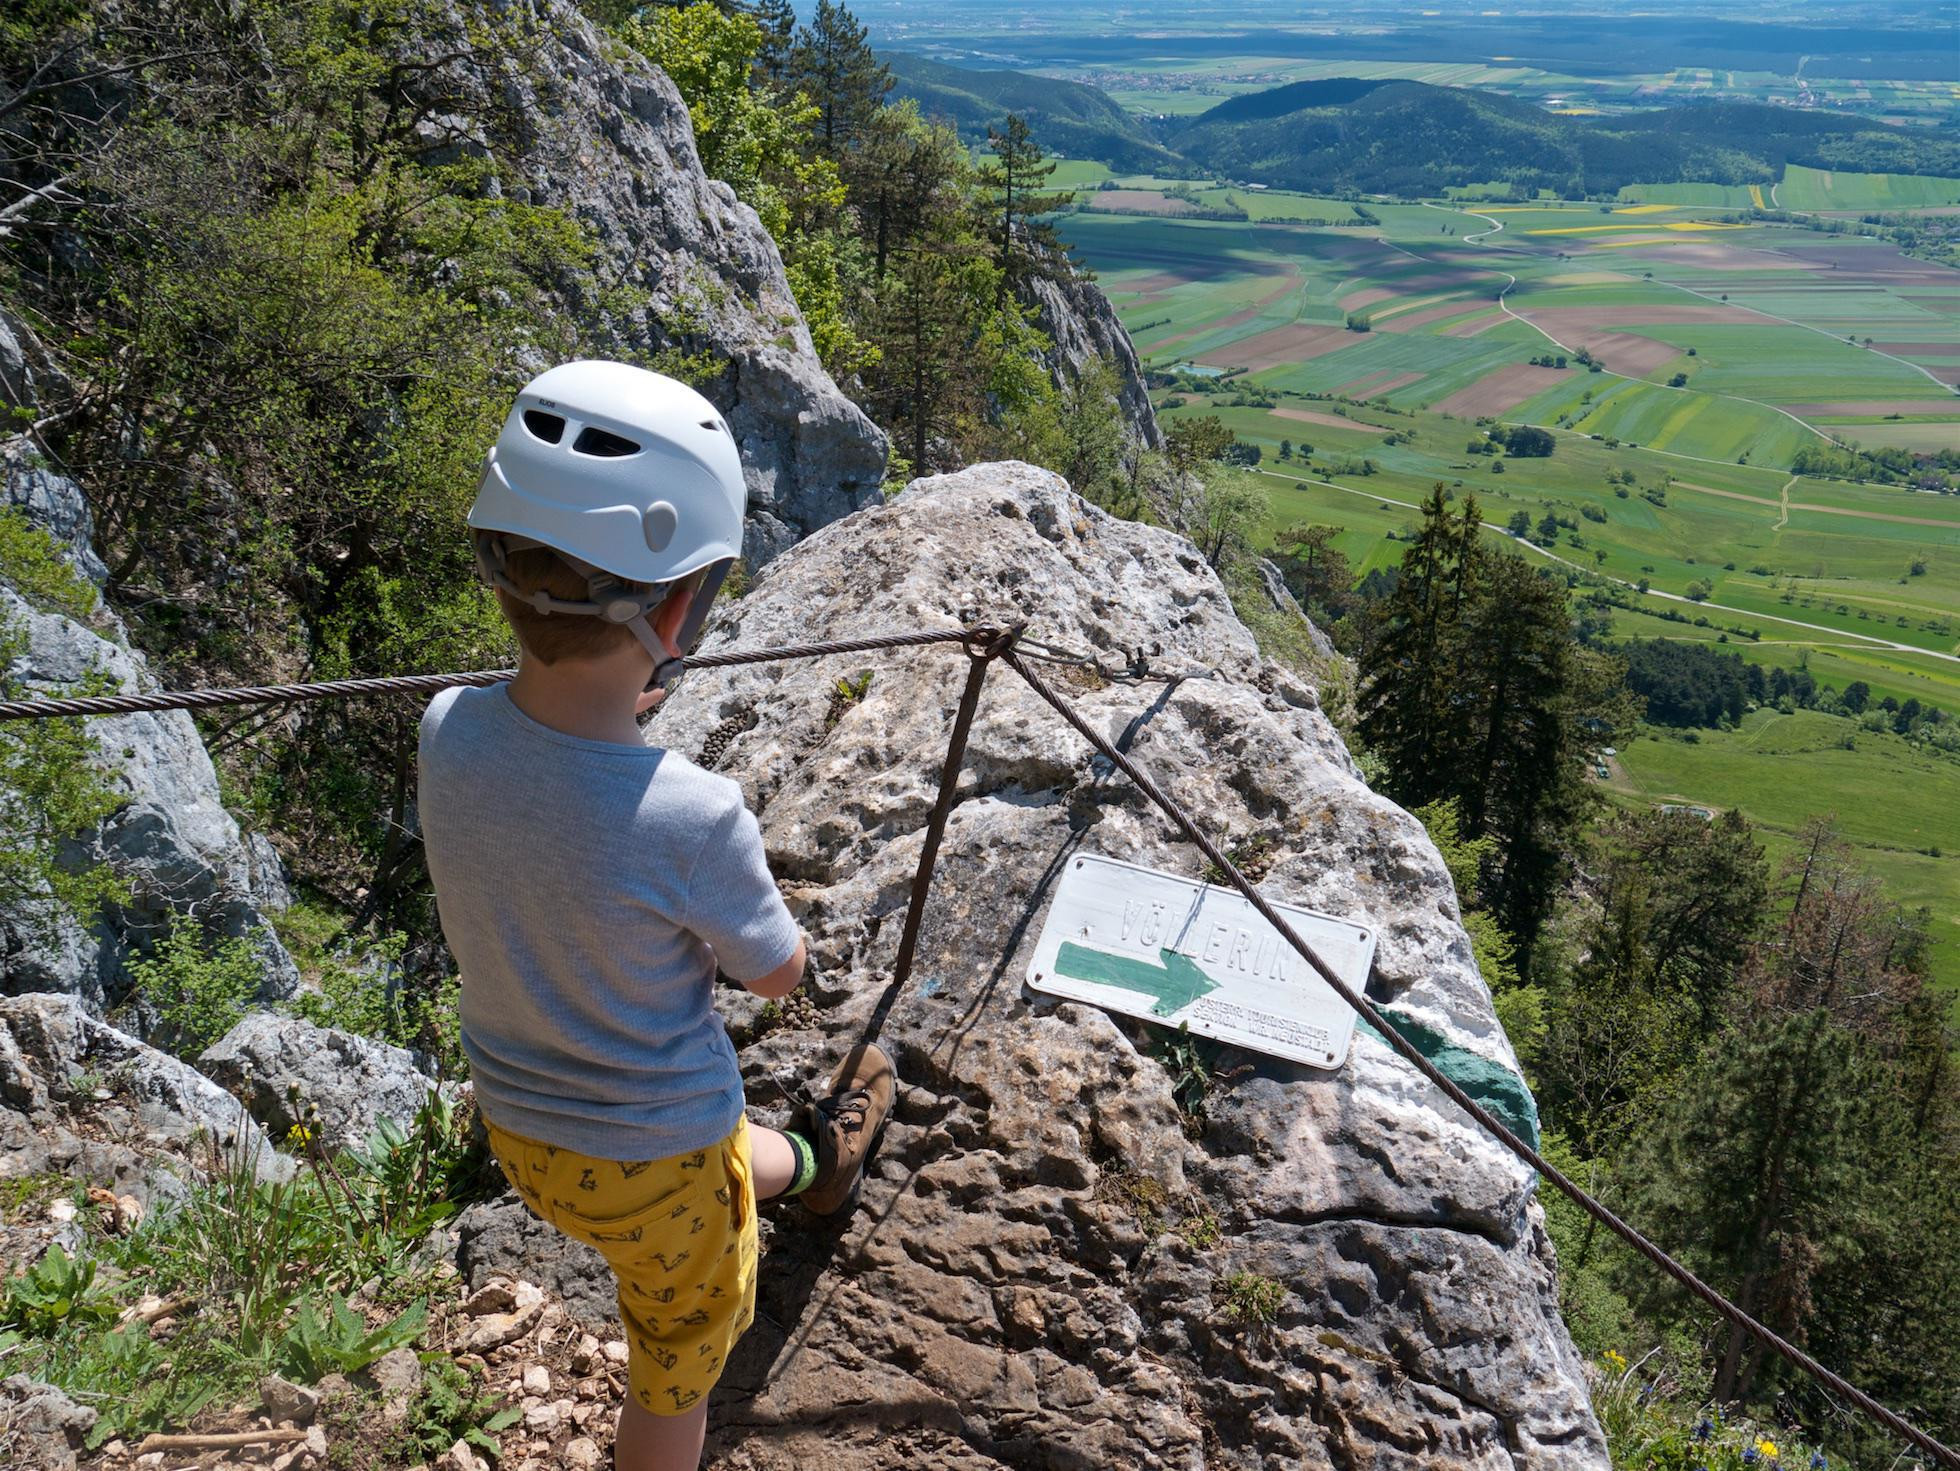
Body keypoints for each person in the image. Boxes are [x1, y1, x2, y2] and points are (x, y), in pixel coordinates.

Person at [418, 361, 897, 1471]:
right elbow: (777, 973)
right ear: (683, 606)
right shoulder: (693, 813)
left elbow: (544, 810)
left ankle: (814, 1163)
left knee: (723, 1158)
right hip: (660, 1164)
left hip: (520, 1128)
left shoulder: (447, 726)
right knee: (674, 1370)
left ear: (500, 565)